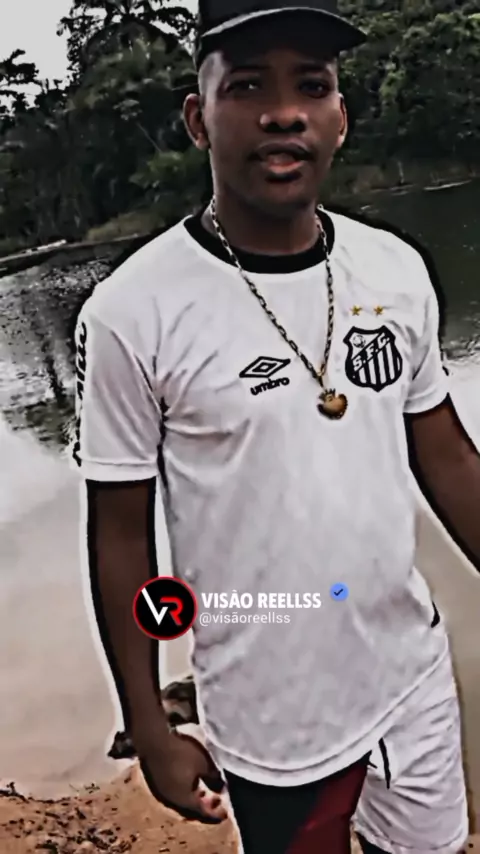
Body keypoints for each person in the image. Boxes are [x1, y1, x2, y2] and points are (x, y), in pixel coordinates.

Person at [72, 1, 480, 852]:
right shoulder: (132, 312)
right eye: (249, 86)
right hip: (271, 716)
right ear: (198, 119)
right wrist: (148, 723)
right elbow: (120, 533)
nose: (284, 112)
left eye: (312, 85)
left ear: (341, 117)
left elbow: (444, 454)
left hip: (410, 678)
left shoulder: (396, 271)